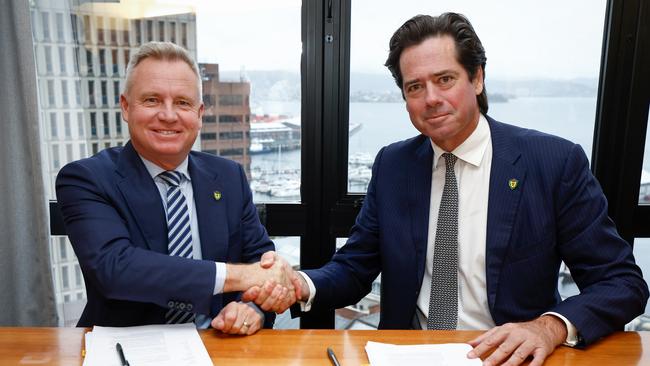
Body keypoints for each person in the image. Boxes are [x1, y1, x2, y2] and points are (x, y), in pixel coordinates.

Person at [247, 12, 648, 365]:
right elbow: (355, 267)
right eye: (414, 87)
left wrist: (549, 327)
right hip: (406, 354)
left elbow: (622, 283)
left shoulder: (552, 163)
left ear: (477, 78)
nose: (431, 99)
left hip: (510, 357)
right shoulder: (394, 165)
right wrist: (301, 284)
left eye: (444, 79)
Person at [56, 42, 299, 335]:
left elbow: (260, 263)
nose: (169, 115)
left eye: (182, 103)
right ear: (125, 107)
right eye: (152, 100)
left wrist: (252, 308)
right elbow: (116, 268)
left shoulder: (228, 176)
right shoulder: (86, 178)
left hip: (218, 344)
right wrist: (239, 277)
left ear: (199, 113)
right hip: (125, 347)